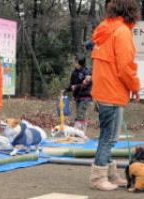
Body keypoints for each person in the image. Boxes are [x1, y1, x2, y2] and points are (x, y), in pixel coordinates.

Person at [89, 0, 140, 191]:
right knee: (108, 137)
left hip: (103, 90)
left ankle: (110, 174)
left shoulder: (105, 30)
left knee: (109, 137)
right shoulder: (122, 32)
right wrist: (135, 87)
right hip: (112, 91)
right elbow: (126, 67)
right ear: (131, 12)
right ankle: (98, 177)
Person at [65, 54, 92, 133]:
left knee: (81, 114)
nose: (74, 63)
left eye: (75, 62)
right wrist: (66, 90)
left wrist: (76, 86)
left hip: (85, 97)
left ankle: (79, 131)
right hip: (77, 97)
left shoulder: (87, 72)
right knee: (79, 114)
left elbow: (85, 84)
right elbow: (71, 85)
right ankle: (80, 131)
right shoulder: (74, 73)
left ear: (80, 63)